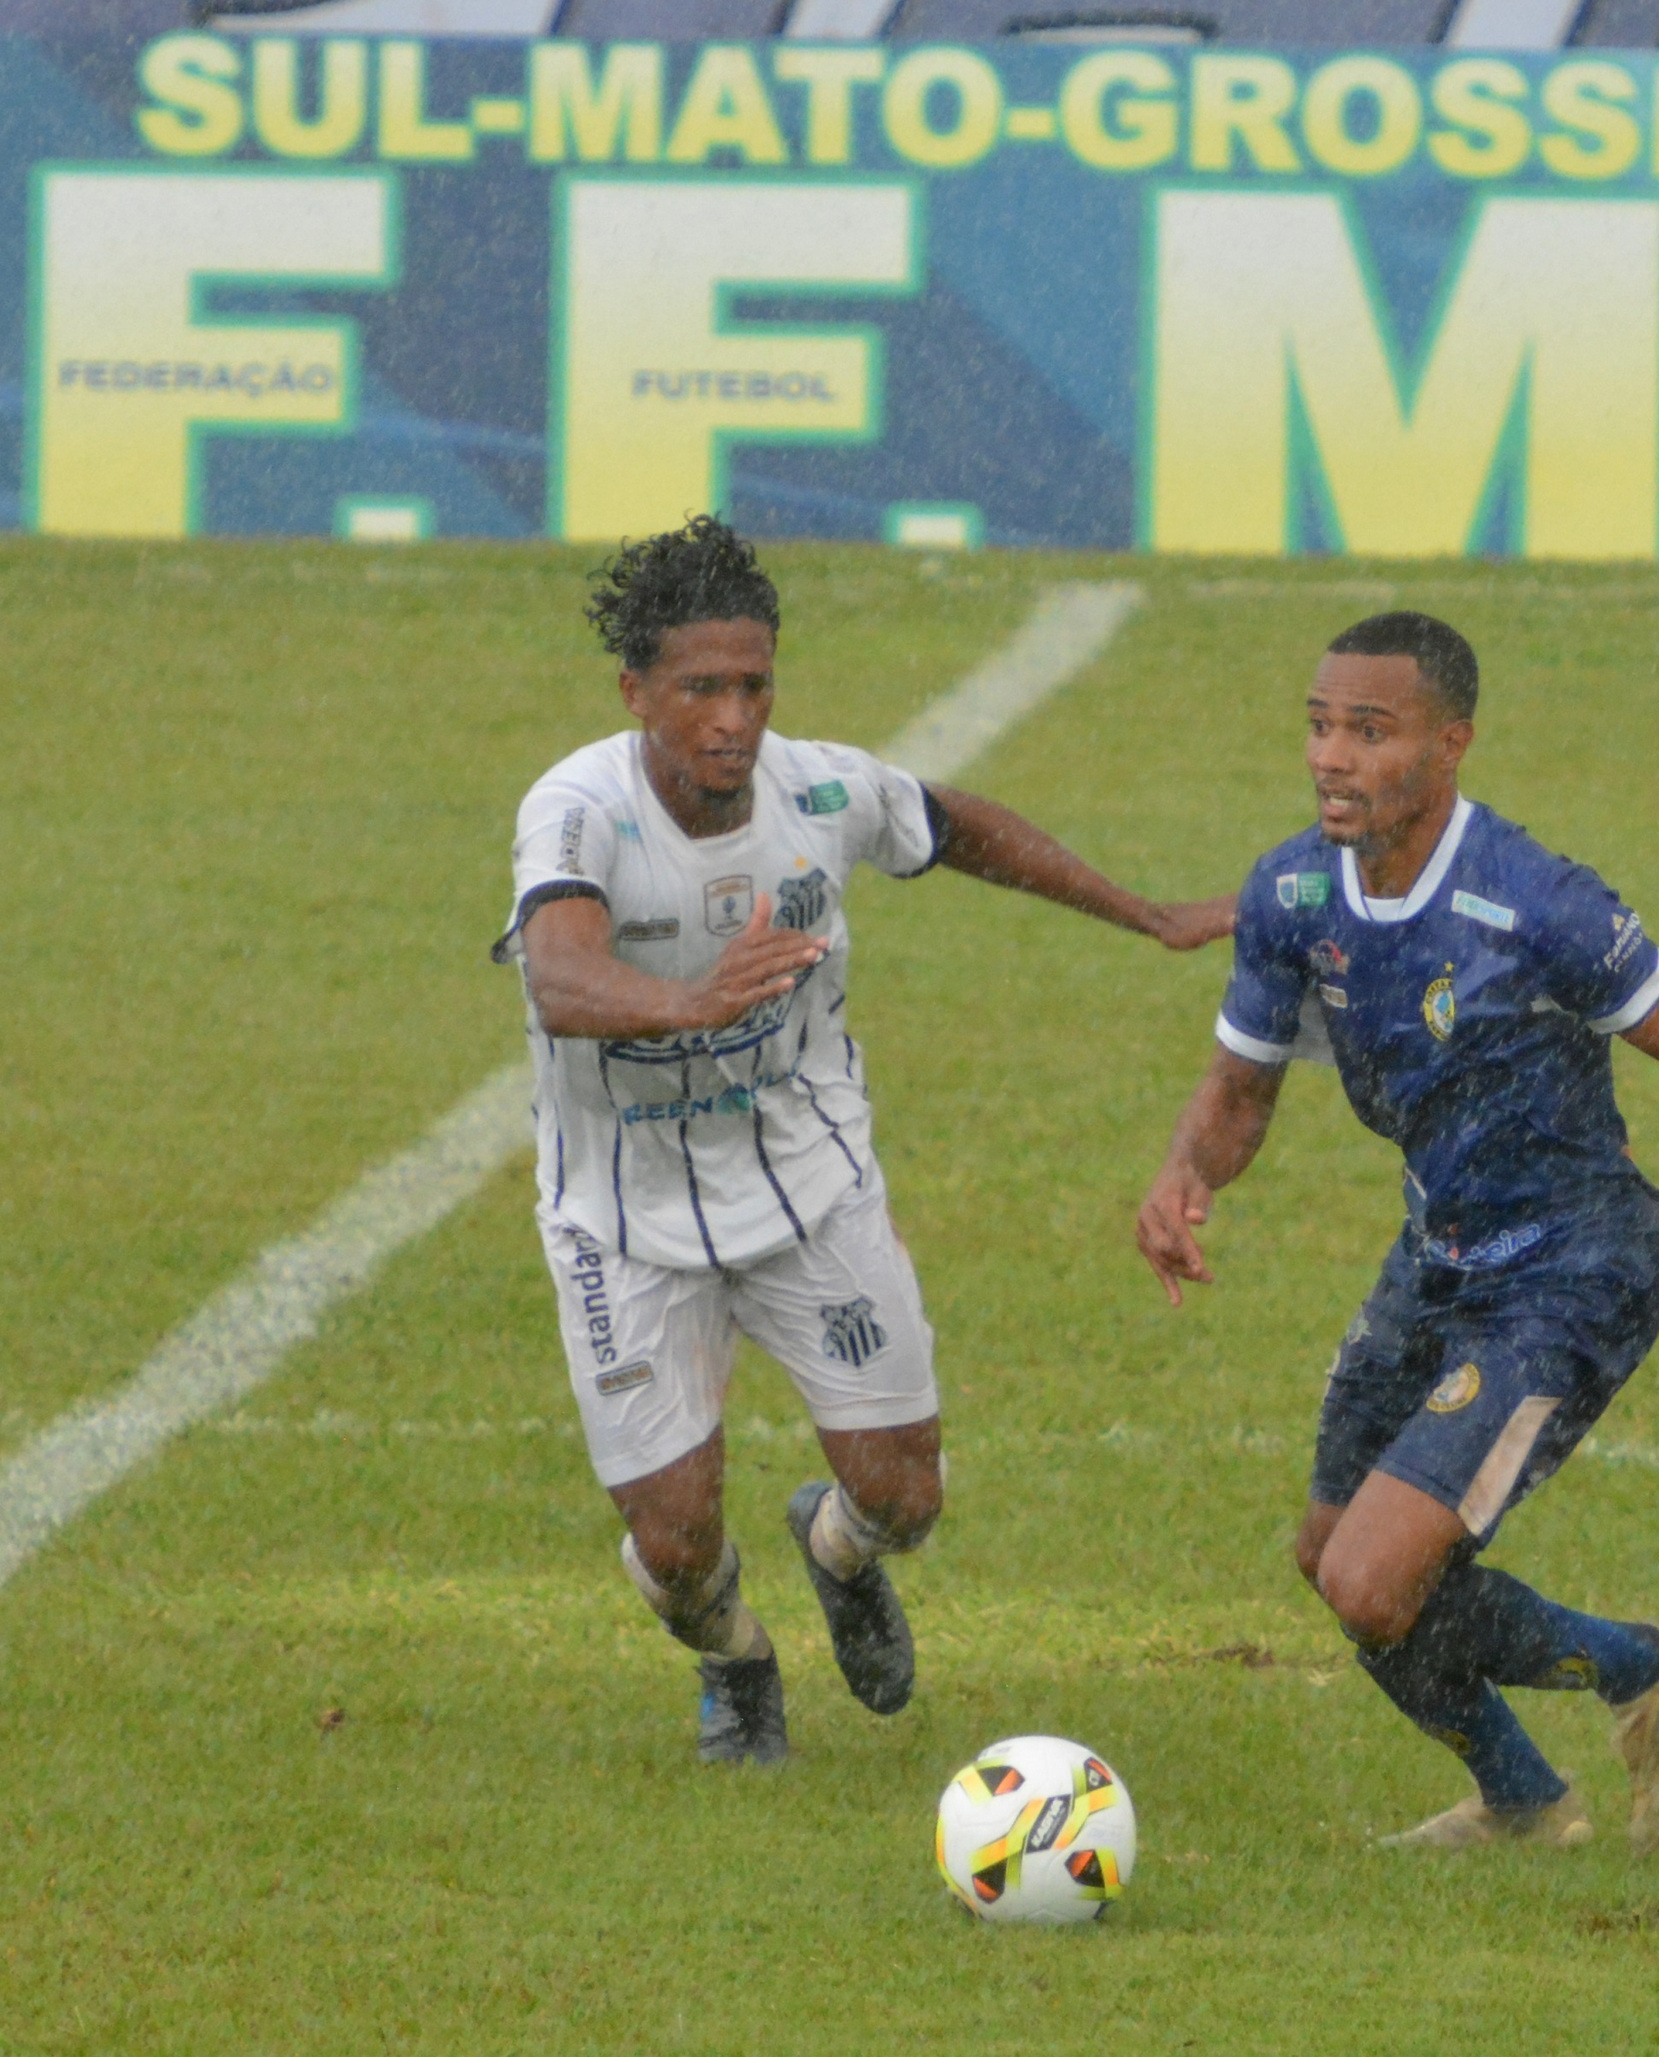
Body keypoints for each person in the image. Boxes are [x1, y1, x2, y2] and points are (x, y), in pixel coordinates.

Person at [1137, 611, 1659, 1852]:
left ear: (1452, 743)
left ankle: (1639, 1664)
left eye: (1370, 732)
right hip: (1436, 1255)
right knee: (1329, 1555)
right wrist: (1182, 1178)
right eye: (1320, 725)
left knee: (1375, 1584)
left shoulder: (1535, 903)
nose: (1333, 756)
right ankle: (1525, 1802)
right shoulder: (1291, 892)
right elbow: (1239, 1090)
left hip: (1576, 1270)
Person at [497, 517, 1227, 1762]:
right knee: (673, 1548)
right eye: (700, 689)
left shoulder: (821, 787)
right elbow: (564, 977)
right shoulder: (578, 810)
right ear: (636, 692)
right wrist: (696, 1001)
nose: (734, 717)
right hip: (622, 1221)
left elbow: (956, 827)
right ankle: (737, 1662)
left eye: (754, 684)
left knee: (905, 1496)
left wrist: (1146, 914)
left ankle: (835, 1551)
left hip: (807, 1187)